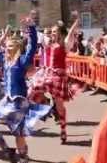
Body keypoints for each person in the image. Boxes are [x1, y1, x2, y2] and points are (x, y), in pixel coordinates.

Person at [0, 13, 50, 163]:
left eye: (10, 46)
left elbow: (33, 45)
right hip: (7, 101)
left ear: (17, 47)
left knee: (19, 137)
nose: (7, 48)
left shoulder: (23, 61)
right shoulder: (4, 60)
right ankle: (7, 150)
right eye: (6, 46)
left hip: (19, 103)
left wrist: (32, 27)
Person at [30, 14, 79, 144]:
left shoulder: (64, 44)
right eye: (52, 32)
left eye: (55, 31)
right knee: (32, 91)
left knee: (60, 106)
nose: (52, 34)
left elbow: (71, 33)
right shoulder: (48, 44)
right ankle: (47, 105)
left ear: (60, 33)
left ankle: (63, 130)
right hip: (47, 74)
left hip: (57, 76)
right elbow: (35, 37)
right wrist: (31, 25)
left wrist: (75, 22)